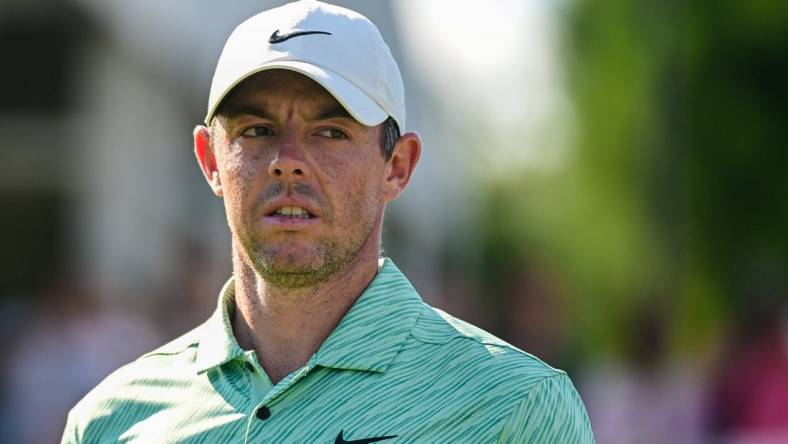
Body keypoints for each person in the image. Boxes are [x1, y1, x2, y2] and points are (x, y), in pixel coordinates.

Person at [61, 1, 595, 442]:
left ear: (398, 166)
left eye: (331, 131)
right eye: (255, 130)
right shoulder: (111, 422)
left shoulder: (515, 408)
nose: (288, 158)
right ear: (210, 161)